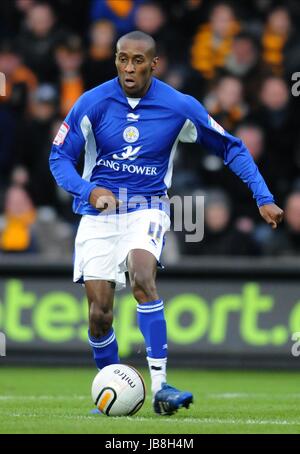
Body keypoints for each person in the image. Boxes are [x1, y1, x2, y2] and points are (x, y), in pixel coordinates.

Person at [49, 31, 283, 416]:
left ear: (154, 64)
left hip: (147, 207)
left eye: (138, 60)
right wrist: (89, 191)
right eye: (122, 59)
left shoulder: (178, 105)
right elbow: (59, 159)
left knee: (143, 277)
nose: (129, 67)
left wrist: (264, 196)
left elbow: (231, 146)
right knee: (98, 314)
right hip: (98, 215)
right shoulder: (91, 103)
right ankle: (112, 384)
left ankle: (160, 386)